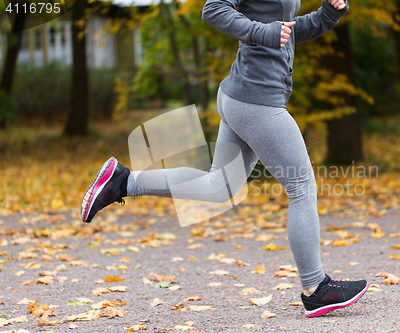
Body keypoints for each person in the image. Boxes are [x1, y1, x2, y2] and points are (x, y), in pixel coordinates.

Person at [81, 0, 368, 317]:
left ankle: (123, 181)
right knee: (301, 186)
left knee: (219, 186)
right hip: (257, 100)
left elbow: (285, 31)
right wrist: (262, 31)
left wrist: (329, 13)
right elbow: (213, 8)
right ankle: (316, 288)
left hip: (245, 94)